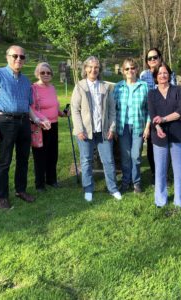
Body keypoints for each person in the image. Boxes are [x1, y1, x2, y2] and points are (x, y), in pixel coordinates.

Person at [0, 45, 46, 209]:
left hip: (24, 122)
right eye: (15, 56)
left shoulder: (25, 81)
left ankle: (21, 190)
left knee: (23, 159)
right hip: (5, 122)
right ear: (7, 57)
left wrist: (37, 120)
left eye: (22, 57)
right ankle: (2, 196)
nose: (18, 59)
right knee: (5, 160)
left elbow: (28, 106)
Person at [71, 56, 121, 202]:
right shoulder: (80, 86)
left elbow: (112, 110)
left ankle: (113, 188)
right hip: (85, 132)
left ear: (99, 70)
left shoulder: (105, 87)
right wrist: (79, 129)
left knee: (108, 161)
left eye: (96, 67)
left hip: (104, 131)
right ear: (85, 68)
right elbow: (75, 109)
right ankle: (88, 188)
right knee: (86, 160)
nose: (93, 70)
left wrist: (112, 128)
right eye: (90, 67)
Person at [148, 62, 181, 208]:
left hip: (178, 135)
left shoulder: (177, 90)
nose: (163, 75)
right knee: (160, 171)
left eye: (165, 73)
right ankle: (160, 200)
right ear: (155, 77)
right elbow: (152, 114)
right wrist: (157, 127)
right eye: (159, 73)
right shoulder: (152, 94)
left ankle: (180, 202)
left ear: (169, 75)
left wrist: (164, 119)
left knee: (180, 171)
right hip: (159, 136)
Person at [140, 48, 177, 184]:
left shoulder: (168, 72)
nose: (152, 60)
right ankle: (155, 173)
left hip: (167, 114)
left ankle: (165, 175)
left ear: (160, 58)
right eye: (149, 58)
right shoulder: (144, 75)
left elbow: (173, 94)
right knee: (151, 146)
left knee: (165, 145)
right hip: (150, 115)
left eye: (155, 57)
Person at [114, 58, 150, 193]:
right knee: (125, 156)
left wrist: (147, 127)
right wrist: (114, 128)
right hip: (122, 127)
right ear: (123, 71)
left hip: (138, 126)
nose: (130, 71)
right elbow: (114, 109)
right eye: (127, 69)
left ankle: (136, 182)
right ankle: (125, 182)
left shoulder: (144, 86)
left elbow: (150, 109)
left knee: (136, 155)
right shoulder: (118, 87)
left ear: (137, 69)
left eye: (133, 68)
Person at [31, 62, 66, 192]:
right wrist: (42, 119)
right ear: (37, 74)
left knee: (53, 154)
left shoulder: (52, 88)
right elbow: (31, 108)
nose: (46, 75)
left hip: (54, 124)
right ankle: (39, 184)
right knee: (40, 155)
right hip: (40, 126)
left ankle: (51, 180)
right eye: (42, 72)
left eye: (48, 72)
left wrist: (62, 113)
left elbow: (54, 105)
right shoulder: (33, 88)